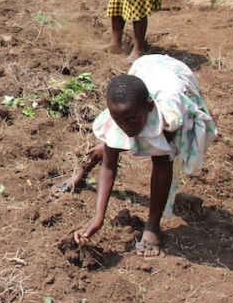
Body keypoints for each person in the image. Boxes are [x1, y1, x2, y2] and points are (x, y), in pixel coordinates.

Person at [56, 55, 216, 257]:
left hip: (176, 75)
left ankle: (152, 226)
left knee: (161, 156)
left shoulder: (168, 119)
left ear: (149, 106)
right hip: (144, 69)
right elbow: (108, 166)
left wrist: (151, 227)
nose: (126, 127)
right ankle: (79, 178)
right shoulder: (122, 114)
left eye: (132, 119)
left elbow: (163, 167)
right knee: (108, 145)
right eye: (118, 120)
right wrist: (98, 217)